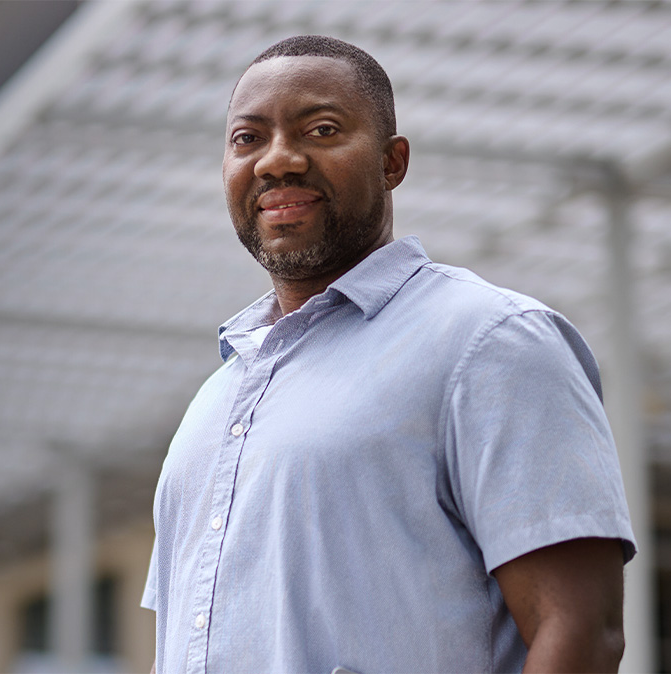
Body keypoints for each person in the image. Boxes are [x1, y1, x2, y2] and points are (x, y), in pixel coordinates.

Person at [142, 35, 636, 673]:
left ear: (392, 162)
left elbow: (580, 634)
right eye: (248, 138)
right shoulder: (216, 400)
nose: (278, 161)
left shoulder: (489, 341)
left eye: (320, 129)